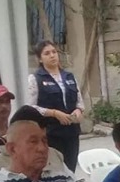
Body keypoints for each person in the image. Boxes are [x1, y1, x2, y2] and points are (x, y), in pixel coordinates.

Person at [27, 41, 83, 171]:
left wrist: (78, 110)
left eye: (54, 52)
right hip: (50, 133)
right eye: (47, 53)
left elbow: (79, 101)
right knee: (54, 170)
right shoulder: (35, 79)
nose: (52, 55)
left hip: (71, 133)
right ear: (40, 59)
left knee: (70, 169)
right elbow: (30, 107)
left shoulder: (69, 77)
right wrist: (54, 113)